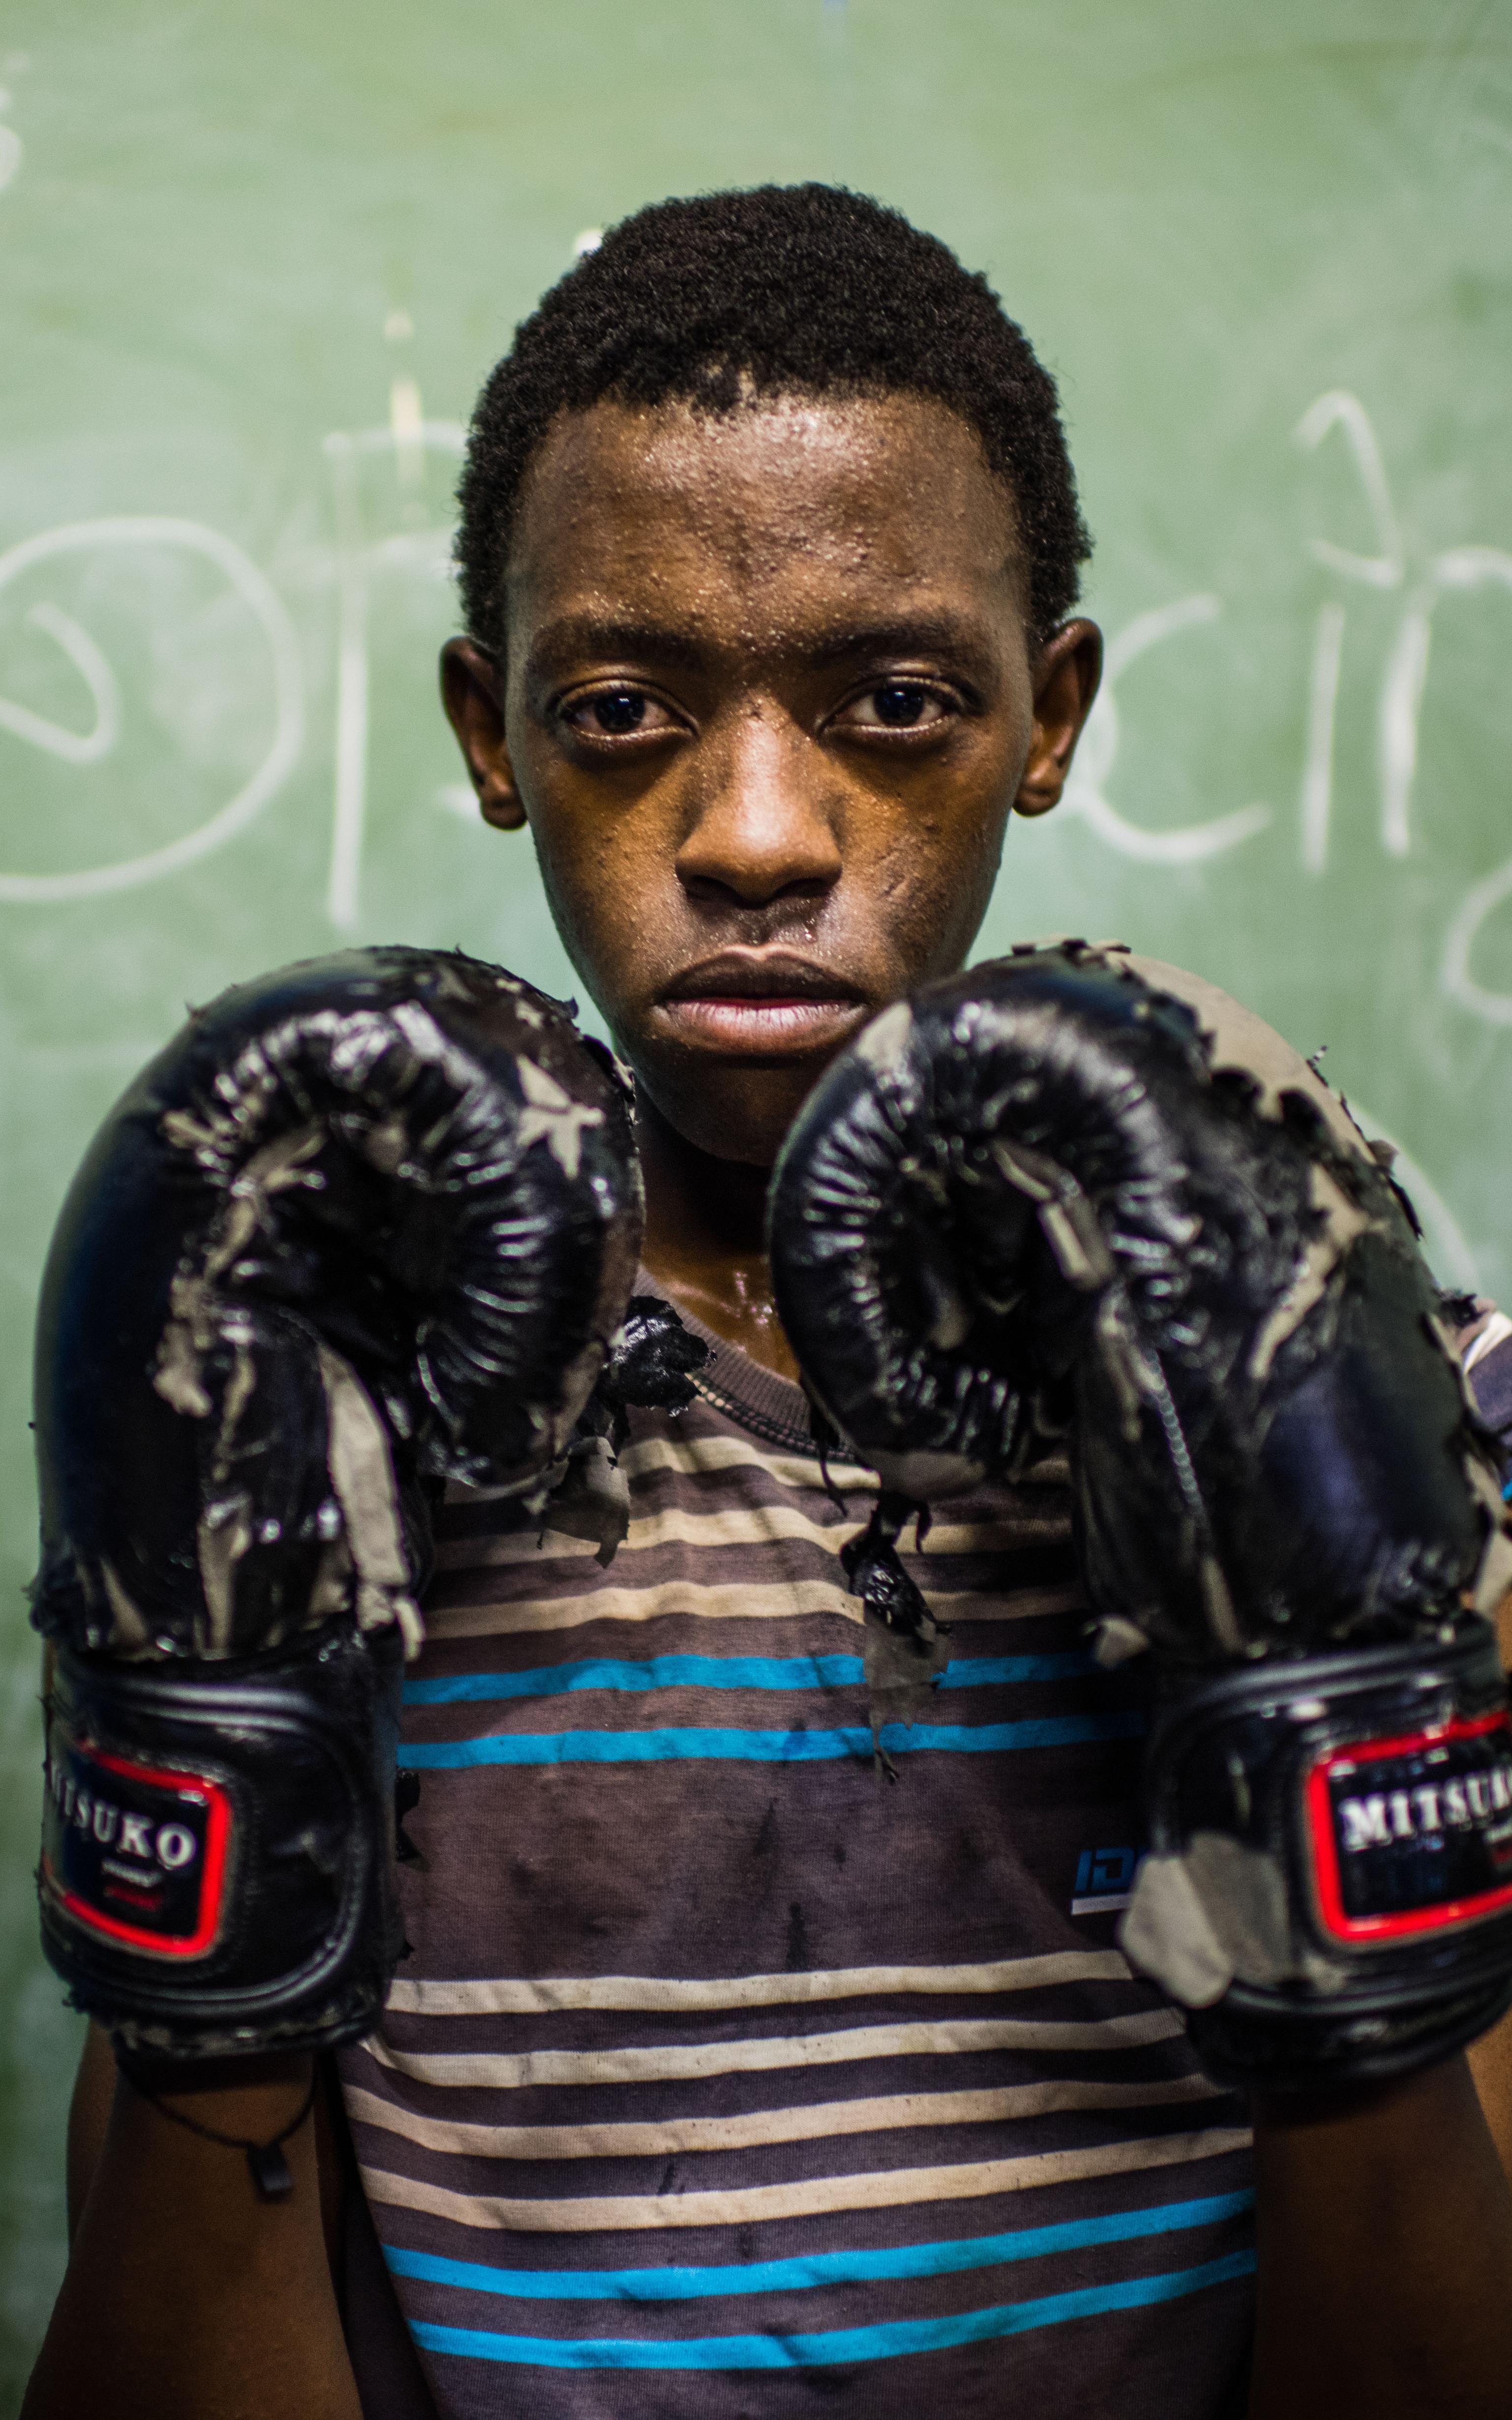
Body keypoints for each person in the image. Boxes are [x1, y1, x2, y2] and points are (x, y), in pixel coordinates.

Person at [24, 183, 1512, 2420]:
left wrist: (1321, 1720)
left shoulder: (1340, 1343)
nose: (752, 835)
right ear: (492, 727)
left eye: (893, 702)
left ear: (1050, 712)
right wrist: (198, 1753)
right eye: (624, 708)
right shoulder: (321, 1370)